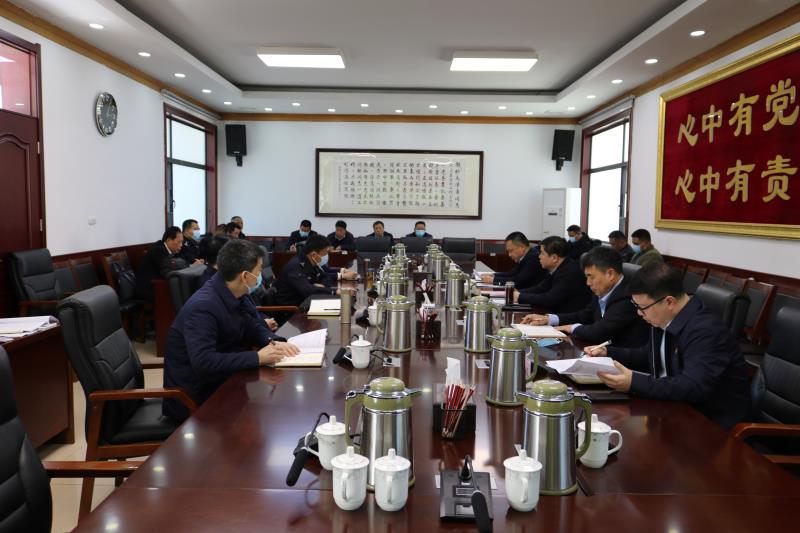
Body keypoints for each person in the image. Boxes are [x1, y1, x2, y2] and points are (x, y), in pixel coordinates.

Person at [586, 262, 750, 429]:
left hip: (710, 425)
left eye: (642, 307)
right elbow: (650, 355)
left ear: (669, 302)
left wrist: (634, 382)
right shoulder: (664, 317)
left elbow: (693, 386)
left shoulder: (706, 331)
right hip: (673, 408)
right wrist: (608, 352)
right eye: (636, 306)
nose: (639, 313)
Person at [163, 239, 300, 422]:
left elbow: (251, 325)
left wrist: (273, 341)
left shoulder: (234, 292)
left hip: (225, 379)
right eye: (259, 271)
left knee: (275, 407)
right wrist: (258, 357)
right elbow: (204, 362)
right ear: (245, 276)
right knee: (272, 415)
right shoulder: (203, 307)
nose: (260, 275)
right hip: (196, 398)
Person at [521, 246, 648, 348]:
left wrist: (570, 328)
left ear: (610, 274)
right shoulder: (603, 289)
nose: (588, 283)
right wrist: (549, 319)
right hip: (600, 351)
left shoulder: (628, 296)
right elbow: (584, 316)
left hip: (623, 361)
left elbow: (599, 332)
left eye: (591, 277)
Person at [274, 234, 358, 306]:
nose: (327, 255)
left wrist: (320, 286)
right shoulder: (295, 266)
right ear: (314, 254)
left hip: (307, 300)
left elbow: (324, 276)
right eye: (325, 253)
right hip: (292, 310)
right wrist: (335, 291)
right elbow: (307, 290)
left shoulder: (311, 261)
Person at [514, 236, 591, 313]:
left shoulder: (569, 272)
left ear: (554, 258)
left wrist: (520, 297)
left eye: (542, 253)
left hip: (567, 317)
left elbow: (550, 299)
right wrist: (518, 293)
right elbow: (540, 288)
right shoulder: (558, 268)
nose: (539, 256)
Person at [135, 226, 187, 302]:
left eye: (182, 242)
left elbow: (179, 263)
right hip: (148, 288)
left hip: (158, 285)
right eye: (179, 242)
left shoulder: (169, 250)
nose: (181, 245)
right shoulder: (158, 250)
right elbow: (168, 271)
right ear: (169, 240)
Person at [480, 232, 546, 290]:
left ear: (522, 247)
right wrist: (493, 275)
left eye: (511, 250)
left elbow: (518, 281)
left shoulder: (533, 257)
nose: (509, 255)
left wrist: (493, 280)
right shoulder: (525, 255)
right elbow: (511, 273)